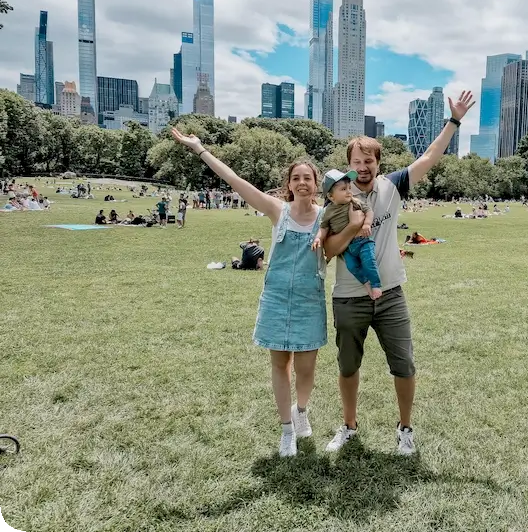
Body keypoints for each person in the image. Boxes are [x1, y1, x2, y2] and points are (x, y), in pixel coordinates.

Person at [322, 90, 475, 456]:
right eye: (356, 161)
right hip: (348, 296)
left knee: (404, 365)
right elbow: (327, 251)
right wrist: (353, 227)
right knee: (347, 368)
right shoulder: (335, 200)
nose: (362, 167)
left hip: (390, 293)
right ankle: (349, 426)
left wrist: (453, 121)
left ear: (378, 162)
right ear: (348, 165)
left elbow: (429, 157)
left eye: (369, 160)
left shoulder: (393, 187)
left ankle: (405, 428)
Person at [171, 127, 326, 459]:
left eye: (307, 178)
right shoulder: (276, 210)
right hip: (276, 300)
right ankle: (287, 430)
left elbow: (360, 208)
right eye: (296, 177)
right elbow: (235, 181)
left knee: (307, 368)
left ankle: (301, 410)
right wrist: (200, 149)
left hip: (309, 301)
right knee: (280, 364)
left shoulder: (326, 217)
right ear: (289, 184)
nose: (302, 182)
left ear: (316, 185)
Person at [312, 169, 381, 300]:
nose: (349, 191)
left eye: (349, 187)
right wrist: (318, 238)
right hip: (347, 248)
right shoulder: (328, 211)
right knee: (352, 267)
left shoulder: (354, 202)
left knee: (369, 261)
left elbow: (369, 211)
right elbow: (324, 227)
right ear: (331, 196)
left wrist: (366, 224)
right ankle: (366, 283)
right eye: (343, 189)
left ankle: (376, 284)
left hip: (363, 241)